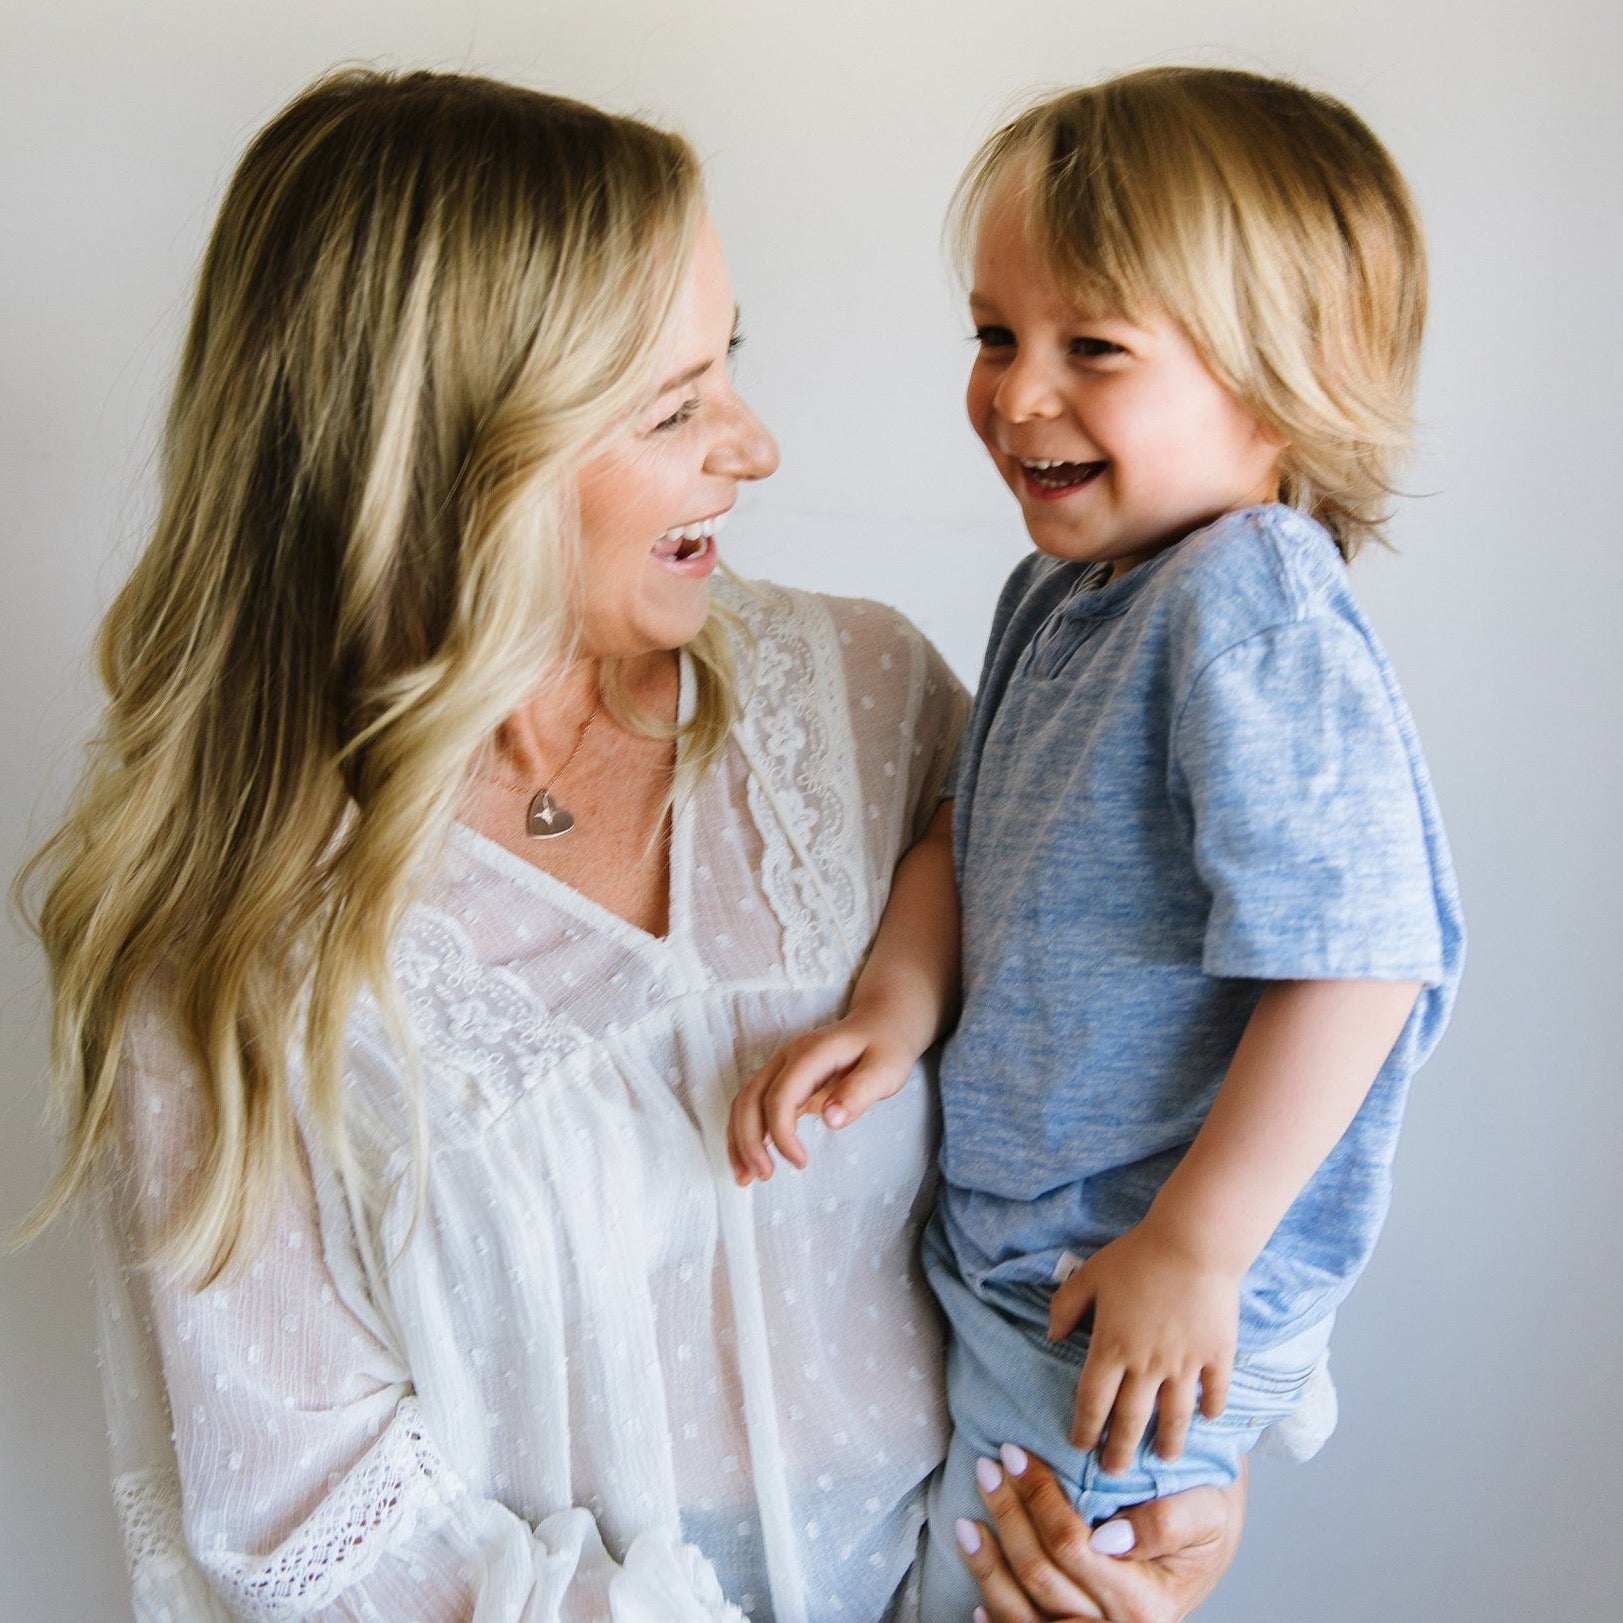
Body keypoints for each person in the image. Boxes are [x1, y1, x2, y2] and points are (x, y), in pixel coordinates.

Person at [17, 68, 1246, 1622]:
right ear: (459, 459)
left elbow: (1116, 1095)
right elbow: (307, 1522)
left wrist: (1162, 1474)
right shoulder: (228, 926)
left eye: (728, 366)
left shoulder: (869, 710)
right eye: (676, 408)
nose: (756, 447)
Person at [729, 66, 1464, 1619]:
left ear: (1281, 386)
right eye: (996, 335)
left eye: (1093, 350)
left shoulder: (1246, 604)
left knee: (1003, 1598)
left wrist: (1197, 1249)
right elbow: (966, 828)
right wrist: (893, 1010)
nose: (1015, 394)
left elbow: (1363, 963)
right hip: (1030, 1272)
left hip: (1131, 1308)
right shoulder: (1069, 591)